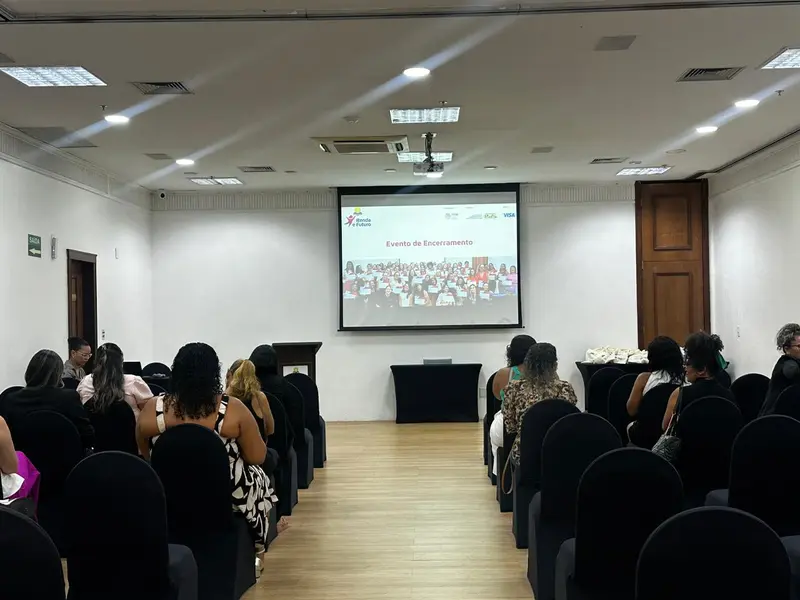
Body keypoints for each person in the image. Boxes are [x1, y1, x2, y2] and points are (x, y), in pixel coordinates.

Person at [137, 343, 276, 548]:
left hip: (169, 495)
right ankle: (257, 549)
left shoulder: (152, 409)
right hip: (224, 497)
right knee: (259, 475)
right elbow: (257, 457)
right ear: (215, 374)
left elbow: (145, 454)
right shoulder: (232, 409)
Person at [3, 350, 94, 450]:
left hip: (23, 460)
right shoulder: (69, 398)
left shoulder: (10, 399)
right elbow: (87, 436)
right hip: (66, 460)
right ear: (58, 375)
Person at [503, 343, 578, 464]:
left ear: (526, 364)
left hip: (525, 454)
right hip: (561, 452)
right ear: (555, 365)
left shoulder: (513, 388)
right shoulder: (565, 389)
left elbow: (510, 427)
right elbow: (571, 422)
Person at [662, 332, 735, 431]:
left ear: (702, 370)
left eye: (688, 362)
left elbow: (666, 427)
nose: (685, 367)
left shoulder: (680, 394)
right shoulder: (729, 395)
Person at [489, 335, 537, 475]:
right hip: (538, 429)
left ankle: (501, 474)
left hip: (508, 428)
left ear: (510, 352)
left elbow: (498, 396)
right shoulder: (547, 375)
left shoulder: (504, 374)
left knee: (496, 434)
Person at [626, 336, 684, 446]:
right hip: (675, 438)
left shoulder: (644, 379)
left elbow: (631, 410)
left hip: (646, 437)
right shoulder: (686, 379)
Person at [77, 343, 153, 419]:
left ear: (96, 362)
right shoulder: (133, 382)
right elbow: (150, 411)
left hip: (92, 430)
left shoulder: (85, 382)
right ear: (121, 362)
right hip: (130, 430)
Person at [226, 359, 275, 441]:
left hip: (233, 451)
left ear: (229, 374)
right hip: (257, 451)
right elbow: (270, 430)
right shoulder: (259, 397)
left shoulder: (225, 398)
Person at [759, 323, 800, 415]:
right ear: (786, 349)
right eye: (799, 346)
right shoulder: (787, 363)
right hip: (774, 420)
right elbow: (792, 372)